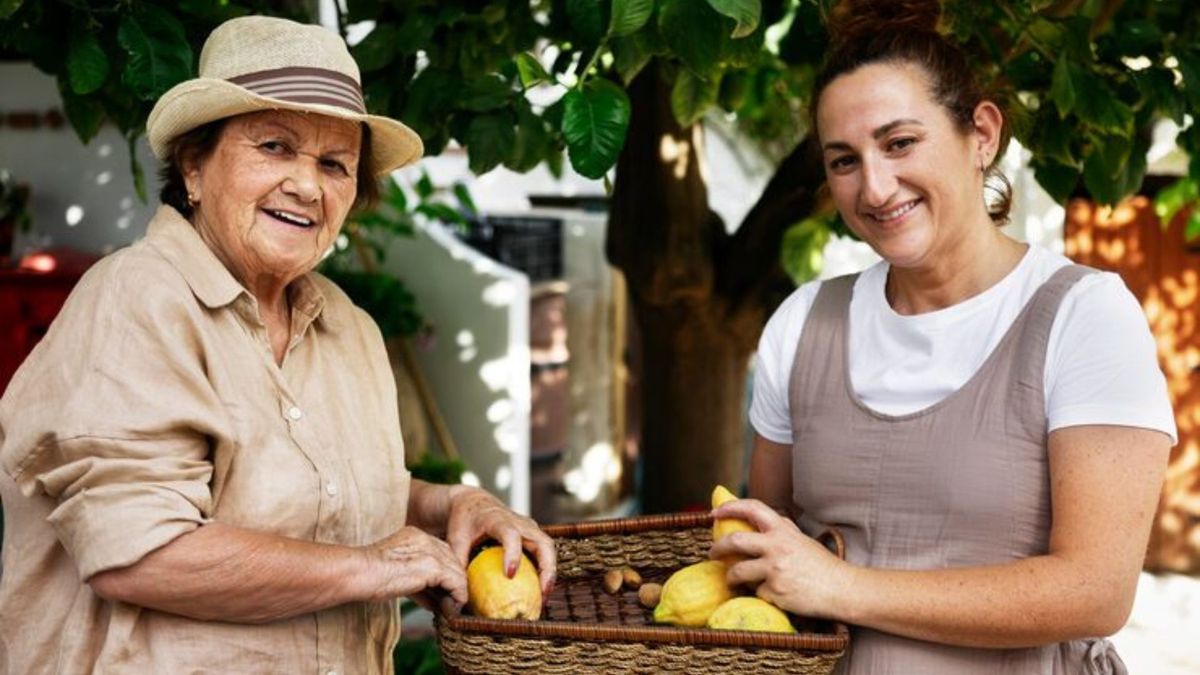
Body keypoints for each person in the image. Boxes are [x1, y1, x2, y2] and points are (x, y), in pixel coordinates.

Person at [0, 15, 554, 674]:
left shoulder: (349, 326)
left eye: (334, 163)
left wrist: (455, 505)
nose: (307, 185)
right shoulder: (136, 300)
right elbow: (138, 553)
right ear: (195, 166)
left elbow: (333, 493)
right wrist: (374, 568)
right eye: (274, 146)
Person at [709, 1, 1175, 673]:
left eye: (900, 143)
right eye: (844, 160)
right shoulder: (803, 324)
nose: (874, 186)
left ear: (981, 133)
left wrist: (845, 586)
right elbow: (769, 549)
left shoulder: (1083, 316)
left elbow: (1096, 590)